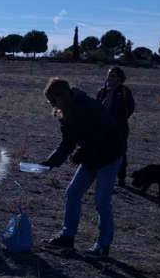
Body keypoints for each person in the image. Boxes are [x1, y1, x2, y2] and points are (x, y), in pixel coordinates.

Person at [39, 78, 125, 258]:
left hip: (110, 154)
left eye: (54, 100)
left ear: (64, 95)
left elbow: (103, 136)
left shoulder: (88, 106)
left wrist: (81, 154)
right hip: (92, 156)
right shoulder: (64, 112)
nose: (52, 105)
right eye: (50, 102)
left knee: (101, 201)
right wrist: (51, 161)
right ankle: (67, 236)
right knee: (73, 193)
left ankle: (102, 246)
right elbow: (68, 141)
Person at [96, 66, 135, 186]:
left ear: (119, 78)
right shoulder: (102, 91)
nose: (109, 78)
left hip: (119, 128)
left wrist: (120, 120)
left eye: (113, 75)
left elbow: (130, 108)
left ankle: (121, 177)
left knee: (120, 152)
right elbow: (96, 106)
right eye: (109, 75)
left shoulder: (124, 91)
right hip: (102, 127)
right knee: (100, 149)